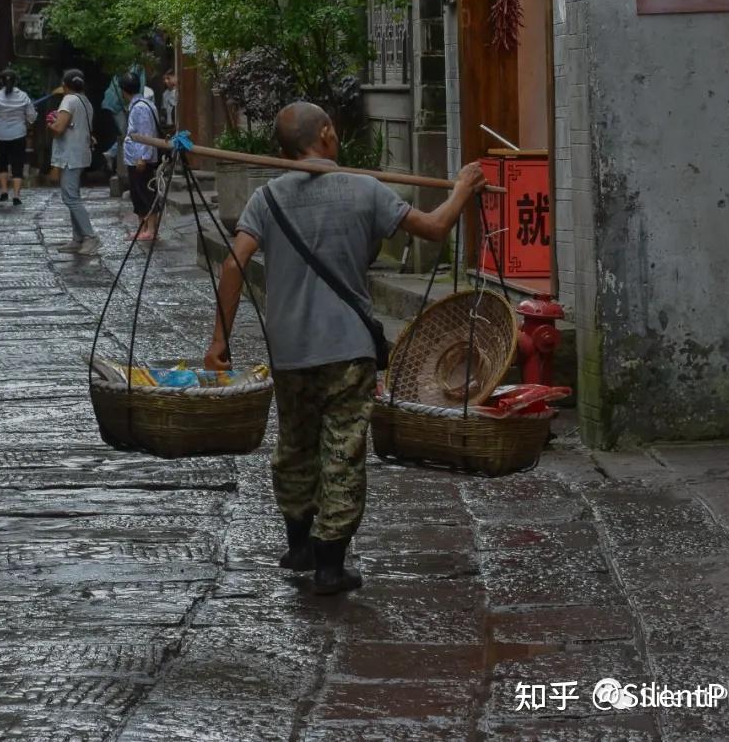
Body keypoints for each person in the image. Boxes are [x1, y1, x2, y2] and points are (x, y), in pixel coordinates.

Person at [204, 101, 486, 597]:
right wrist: (462, 189)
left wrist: (219, 340)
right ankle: (330, 564)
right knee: (342, 449)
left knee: (294, 443)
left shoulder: (265, 200)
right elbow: (436, 228)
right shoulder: (365, 189)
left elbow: (233, 265)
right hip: (347, 350)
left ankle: (298, 544)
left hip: (289, 351)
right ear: (328, 134)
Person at [47, 68, 99, 255]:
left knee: (70, 197)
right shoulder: (86, 102)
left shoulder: (68, 100)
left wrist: (50, 124)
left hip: (71, 154)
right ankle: (78, 238)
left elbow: (59, 127)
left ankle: (90, 236)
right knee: (73, 195)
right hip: (81, 153)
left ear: (65, 85)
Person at [0, 69, 36, 206]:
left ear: (1, 81)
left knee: (2, 161)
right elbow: (31, 117)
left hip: (0, 134)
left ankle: (4, 192)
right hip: (19, 134)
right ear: (16, 81)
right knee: (18, 163)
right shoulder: (23, 96)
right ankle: (16, 194)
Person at [121, 70, 160, 242]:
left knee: (145, 193)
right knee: (137, 194)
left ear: (124, 91)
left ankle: (150, 229)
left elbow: (145, 133)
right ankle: (142, 228)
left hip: (140, 158)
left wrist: (142, 157)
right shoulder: (145, 104)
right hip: (135, 157)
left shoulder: (140, 108)